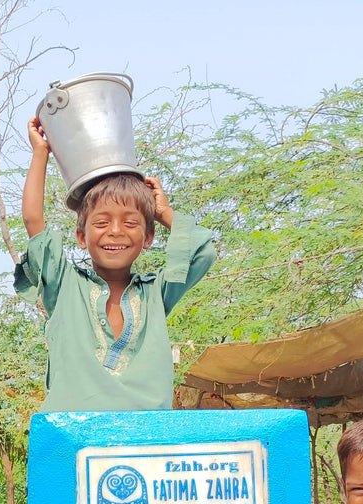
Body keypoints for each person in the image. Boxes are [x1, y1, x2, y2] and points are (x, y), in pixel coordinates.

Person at [15, 116, 216, 413]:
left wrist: (164, 213)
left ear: (148, 238)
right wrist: (41, 152)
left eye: (131, 223)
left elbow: (203, 253)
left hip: (143, 435)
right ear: (81, 237)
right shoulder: (64, 284)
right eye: (101, 222)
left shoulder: (156, 293)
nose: (115, 231)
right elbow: (33, 221)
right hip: (72, 434)